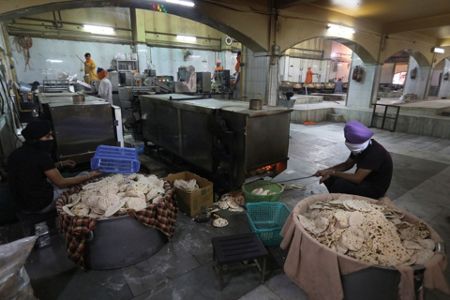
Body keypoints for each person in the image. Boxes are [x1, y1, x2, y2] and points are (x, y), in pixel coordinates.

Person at [7, 120, 100, 213]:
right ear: (35, 139)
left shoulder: (16, 154)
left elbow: (37, 167)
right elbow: (61, 183)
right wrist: (90, 175)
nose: (51, 138)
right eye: (47, 136)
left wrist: (61, 164)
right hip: (40, 205)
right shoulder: (41, 155)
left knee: (76, 178)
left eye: (51, 135)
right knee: (83, 181)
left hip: (22, 204)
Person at [314, 120, 393, 199]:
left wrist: (332, 172)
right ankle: (337, 199)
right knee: (329, 178)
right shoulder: (361, 147)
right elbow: (347, 164)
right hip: (365, 181)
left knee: (339, 184)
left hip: (374, 188)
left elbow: (357, 178)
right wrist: (325, 171)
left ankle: (340, 202)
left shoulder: (374, 153)